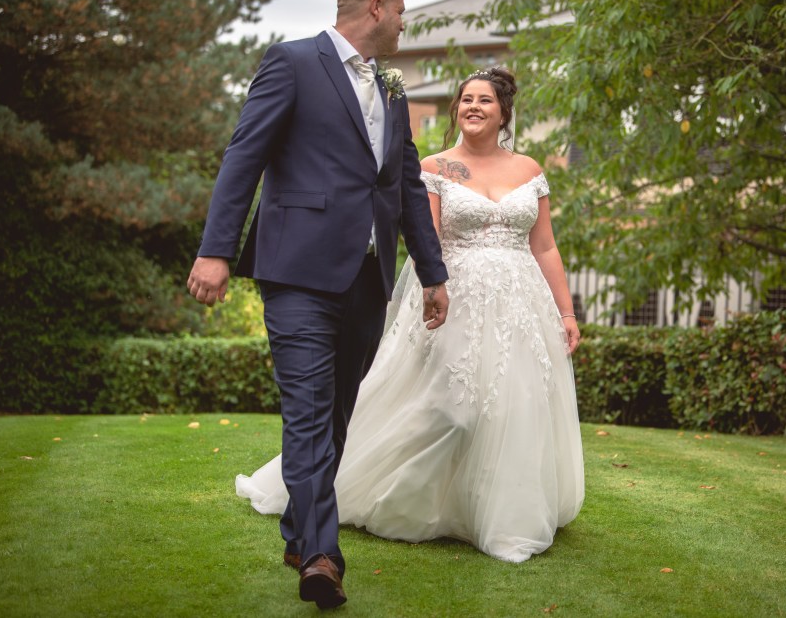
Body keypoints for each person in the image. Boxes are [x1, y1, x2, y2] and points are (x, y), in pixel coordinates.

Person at [237, 66, 585, 564]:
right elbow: (426, 236)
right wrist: (431, 288)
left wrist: (566, 312)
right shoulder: (436, 167)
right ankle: (399, 497)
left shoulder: (529, 170)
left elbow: (545, 246)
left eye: (484, 100)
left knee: (518, 405)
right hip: (457, 299)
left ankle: (500, 513)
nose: (473, 107)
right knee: (455, 411)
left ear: (504, 113)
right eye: (466, 99)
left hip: (521, 305)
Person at [187, 0, 449, 610]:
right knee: (307, 410)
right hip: (297, 271)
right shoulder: (293, 62)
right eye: (402, 13)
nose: (405, 25)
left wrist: (433, 272)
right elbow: (244, 155)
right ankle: (321, 556)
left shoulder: (391, 88)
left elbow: (406, 184)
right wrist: (216, 251)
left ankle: (296, 529)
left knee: (335, 416)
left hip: (367, 278)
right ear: (377, 8)